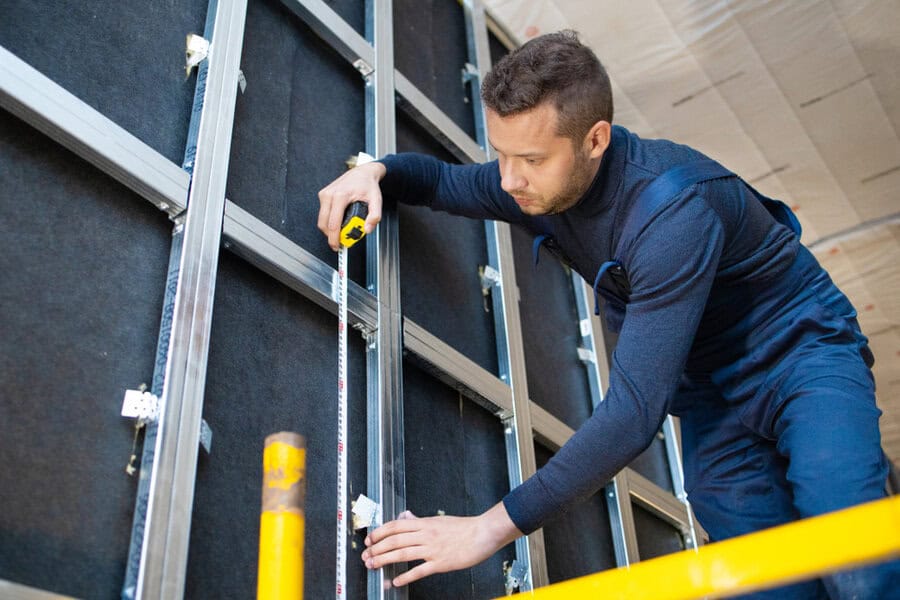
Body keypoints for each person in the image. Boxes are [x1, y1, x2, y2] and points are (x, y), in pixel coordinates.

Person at [317, 30, 899, 598]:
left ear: (595, 140)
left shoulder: (672, 215)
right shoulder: (535, 184)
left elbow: (633, 415)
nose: (508, 179)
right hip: (709, 396)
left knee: (852, 555)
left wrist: (486, 528)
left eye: (530, 159)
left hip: (798, 353)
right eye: (501, 155)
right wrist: (376, 173)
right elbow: (444, 181)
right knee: (765, 582)